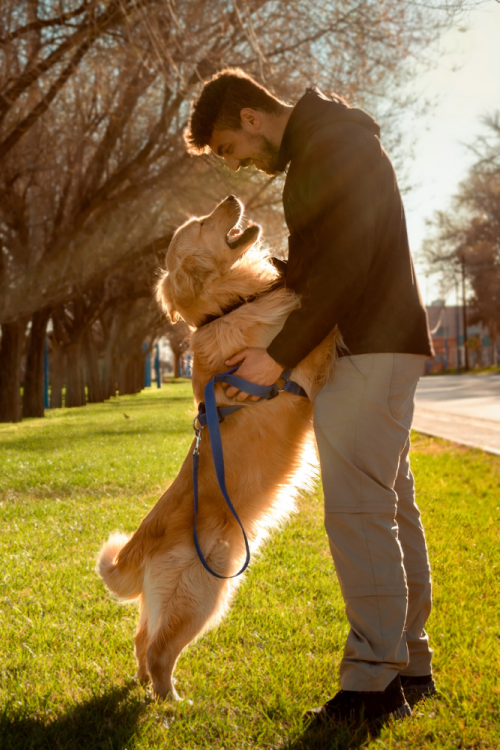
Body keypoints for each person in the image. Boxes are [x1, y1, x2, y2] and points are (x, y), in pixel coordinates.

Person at [183, 69, 436, 726]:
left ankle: (372, 682)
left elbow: (345, 266)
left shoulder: (329, 148)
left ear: (249, 118)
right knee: (387, 505)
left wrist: (277, 353)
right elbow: (320, 266)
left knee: (357, 512)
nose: (238, 167)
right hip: (380, 341)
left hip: (366, 344)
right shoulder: (330, 144)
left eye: (230, 151)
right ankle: (409, 662)